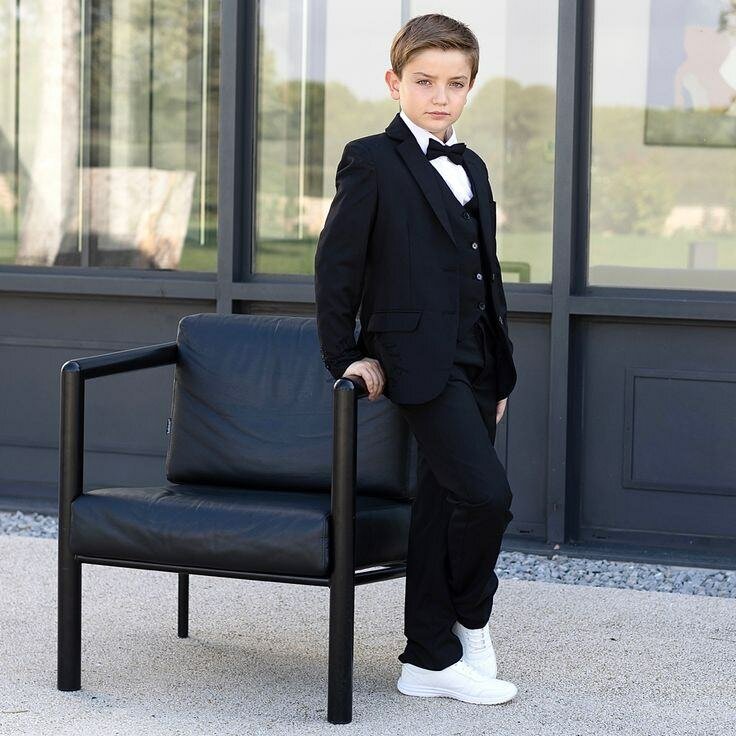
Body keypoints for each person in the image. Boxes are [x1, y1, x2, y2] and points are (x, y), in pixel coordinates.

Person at [314, 13, 518, 706]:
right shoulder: (371, 159)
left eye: (455, 84)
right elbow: (337, 266)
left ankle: (427, 658)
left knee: (440, 506)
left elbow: (485, 273)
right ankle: (472, 618)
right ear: (394, 82)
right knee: (486, 497)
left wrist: (499, 367)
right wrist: (345, 355)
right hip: (415, 362)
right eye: (425, 81)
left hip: (477, 361)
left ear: (470, 88)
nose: (440, 96)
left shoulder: (472, 166)